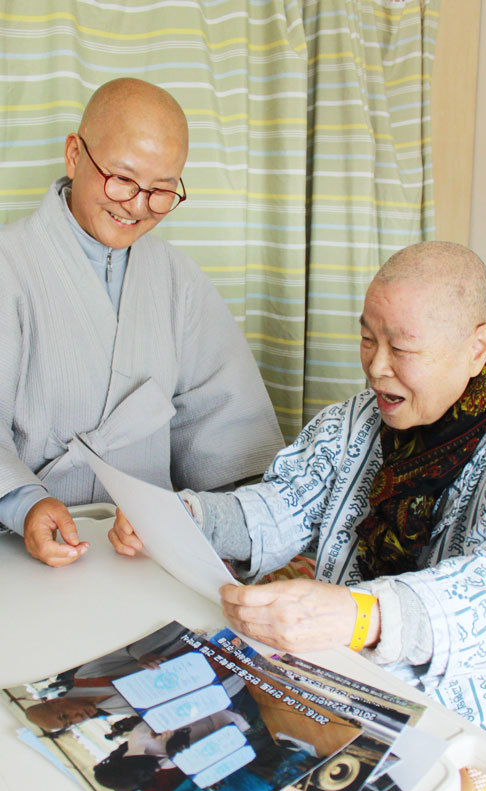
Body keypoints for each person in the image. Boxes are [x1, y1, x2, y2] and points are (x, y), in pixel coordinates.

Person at [110, 242, 486, 760]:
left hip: (475, 728)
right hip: (337, 683)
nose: (376, 367)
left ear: (477, 346)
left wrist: (365, 617)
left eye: (401, 348)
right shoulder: (356, 422)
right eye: (366, 338)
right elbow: (279, 506)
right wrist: (189, 517)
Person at [0, 77, 283, 568]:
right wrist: (23, 502)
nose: (136, 206)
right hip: (19, 547)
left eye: (161, 191)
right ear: (74, 155)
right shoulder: (9, 265)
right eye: (123, 179)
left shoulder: (179, 280)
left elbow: (232, 433)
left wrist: (215, 521)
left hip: (139, 550)